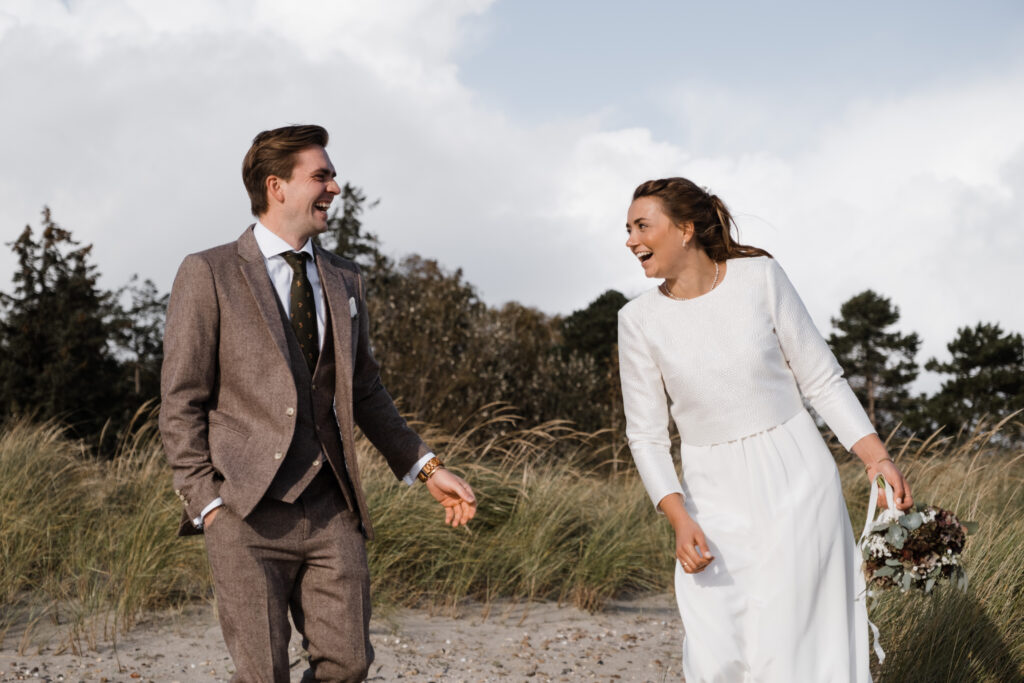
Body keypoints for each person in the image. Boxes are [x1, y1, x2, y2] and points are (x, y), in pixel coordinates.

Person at [159, 124, 477, 683]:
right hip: (244, 511)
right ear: (277, 186)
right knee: (262, 675)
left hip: (332, 507)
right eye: (322, 175)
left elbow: (367, 392)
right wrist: (206, 503)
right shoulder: (208, 272)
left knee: (349, 664)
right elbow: (181, 399)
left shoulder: (345, 278)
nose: (335, 186)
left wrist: (427, 467)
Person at [617, 177, 913, 682]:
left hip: (795, 476)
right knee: (716, 648)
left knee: (794, 644)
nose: (630, 240)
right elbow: (645, 435)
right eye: (627, 229)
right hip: (709, 492)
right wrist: (678, 517)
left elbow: (822, 379)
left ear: (685, 229)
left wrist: (876, 460)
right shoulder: (637, 320)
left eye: (642, 226)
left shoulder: (761, 278)